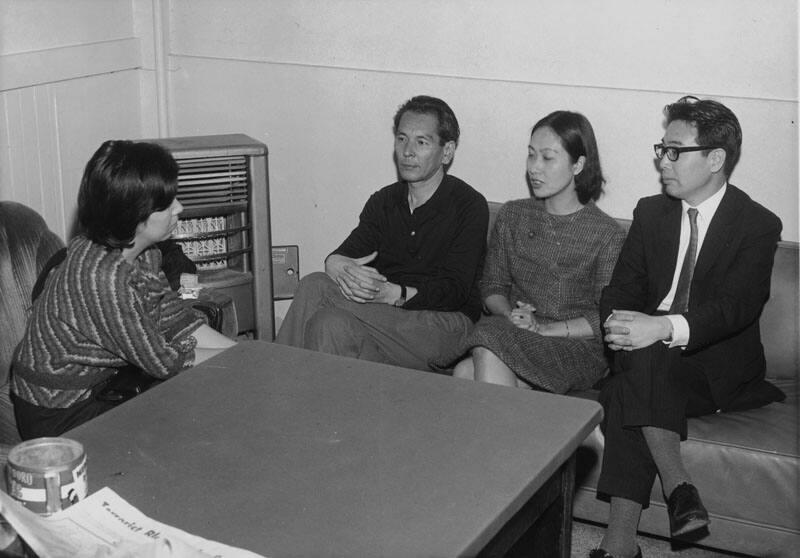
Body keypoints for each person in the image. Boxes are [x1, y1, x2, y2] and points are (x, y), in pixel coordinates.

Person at [592, 97, 784, 558]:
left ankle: (623, 542)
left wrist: (658, 328)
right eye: (662, 148)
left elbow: (735, 308)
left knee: (632, 379)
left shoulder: (756, 224)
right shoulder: (651, 213)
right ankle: (673, 496)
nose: (663, 160)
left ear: (715, 159)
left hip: (712, 368)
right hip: (645, 357)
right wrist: (619, 324)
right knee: (641, 362)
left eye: (675, 150)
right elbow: (619, 291)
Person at [11, 140, 236, 439]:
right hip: (59, 412)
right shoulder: (100, 280)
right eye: (167, 203)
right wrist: (240, 361)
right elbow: (165, 361)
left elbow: (172, 317)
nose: (179, 207)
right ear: (134, 216)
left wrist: (242, 354)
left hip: (104, 385)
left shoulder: (144, 253)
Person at [275, 95, 488, 370]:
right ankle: (317, 408)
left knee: (315, 287)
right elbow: (348, 254)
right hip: (384, 323)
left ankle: (272, 378)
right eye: (401, 139)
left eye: (421, 142)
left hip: (442, 329)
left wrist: (393, 293)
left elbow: (454, 290)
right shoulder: (384, 201)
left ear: (446, 152)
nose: (407, 151)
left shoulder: (469, 205)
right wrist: (336, 263)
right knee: (327, 324)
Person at [440, 111, 625, 393]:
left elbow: (605, 317)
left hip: (575, 347)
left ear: (578, 165)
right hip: (515, 333)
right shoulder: (513, 215)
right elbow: (492, 286)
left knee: (481, 350)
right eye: (531, 155)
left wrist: (542, 329)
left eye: (547, 158)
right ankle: (547, 430)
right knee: (467, 369)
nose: (534, 168)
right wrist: (511, 315)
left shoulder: (606, 234)